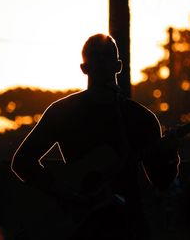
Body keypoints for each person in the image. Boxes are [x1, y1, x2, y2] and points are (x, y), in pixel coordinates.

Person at [11, 34, 179, 240]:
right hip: (82, 227)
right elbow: (22, 162)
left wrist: (170, 155)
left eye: (107, 57)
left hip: (127, 226)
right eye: (96, 57)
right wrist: (65, 194)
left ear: (118, 66)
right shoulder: (63, 111)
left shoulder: (140, 118)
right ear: (84, 68)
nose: (102, 63)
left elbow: (161, 181)